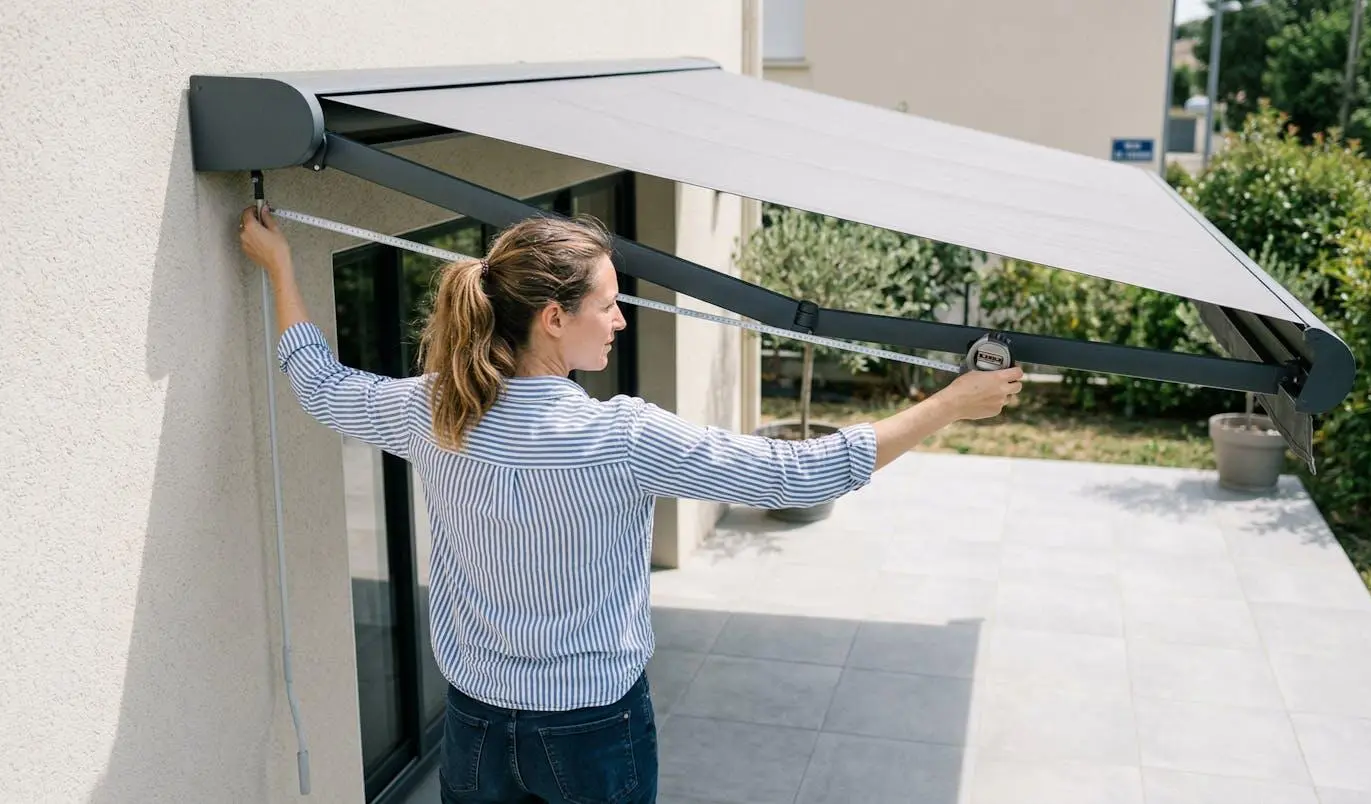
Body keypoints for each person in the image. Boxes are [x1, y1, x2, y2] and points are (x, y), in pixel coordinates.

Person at [239, 203, 1022, 804]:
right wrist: (949, 405)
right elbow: (798, 475)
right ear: (553, 319)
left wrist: (279, 268)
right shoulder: (619, 436)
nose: (620, 319)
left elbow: (319, 383)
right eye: (608, 304)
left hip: (473, 726)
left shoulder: (434, 409)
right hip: (591, 732)